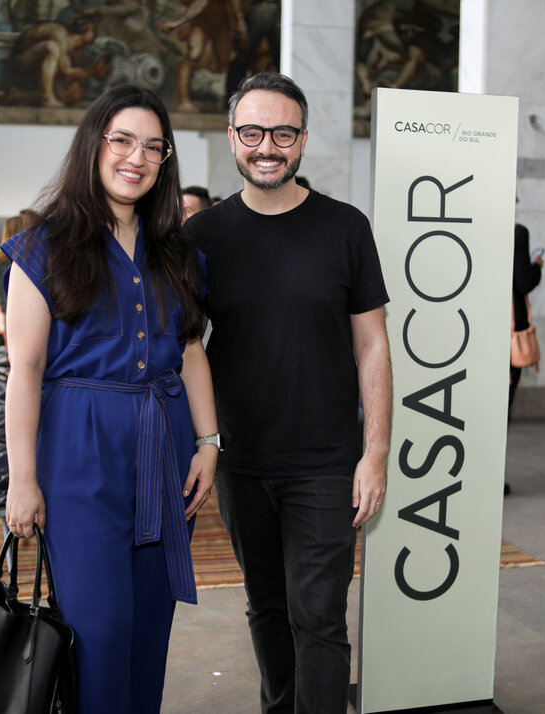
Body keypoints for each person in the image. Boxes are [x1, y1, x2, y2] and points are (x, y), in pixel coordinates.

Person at [2, 84, 218, 713]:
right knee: (99, 632)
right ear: (93, 145)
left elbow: (193, 350)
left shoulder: (177, 250)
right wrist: (22, 479)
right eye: (122, 140)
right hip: (79, 454)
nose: (137, 157)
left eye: (154, 146)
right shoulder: (42, 247)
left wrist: (209, 443)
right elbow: (26, 368)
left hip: (165, 451)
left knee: (150, 630)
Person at [183, 72, 392, 713]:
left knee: (319, 614)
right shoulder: (204, 236)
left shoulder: (346, 227)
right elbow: (187, 348)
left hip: (328, 461)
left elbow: (373, 345)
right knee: (266, 605)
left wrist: (375, 453)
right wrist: (203, 443)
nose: (266, 145)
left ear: (303, 139)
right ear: (232, 137)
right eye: (253, 131)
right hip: (241, 460)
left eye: (282, 132)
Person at [510, 221, 542, 410]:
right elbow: (523, 282)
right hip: (511, 326)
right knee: (505, 396)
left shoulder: (479, 227)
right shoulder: (518, 232)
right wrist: (537, 266)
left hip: (480, 323)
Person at [0, 215, 21, 347]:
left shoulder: (4, 262)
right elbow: (4, 298)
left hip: (8, 316)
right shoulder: (5, 264)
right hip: (9, 317)